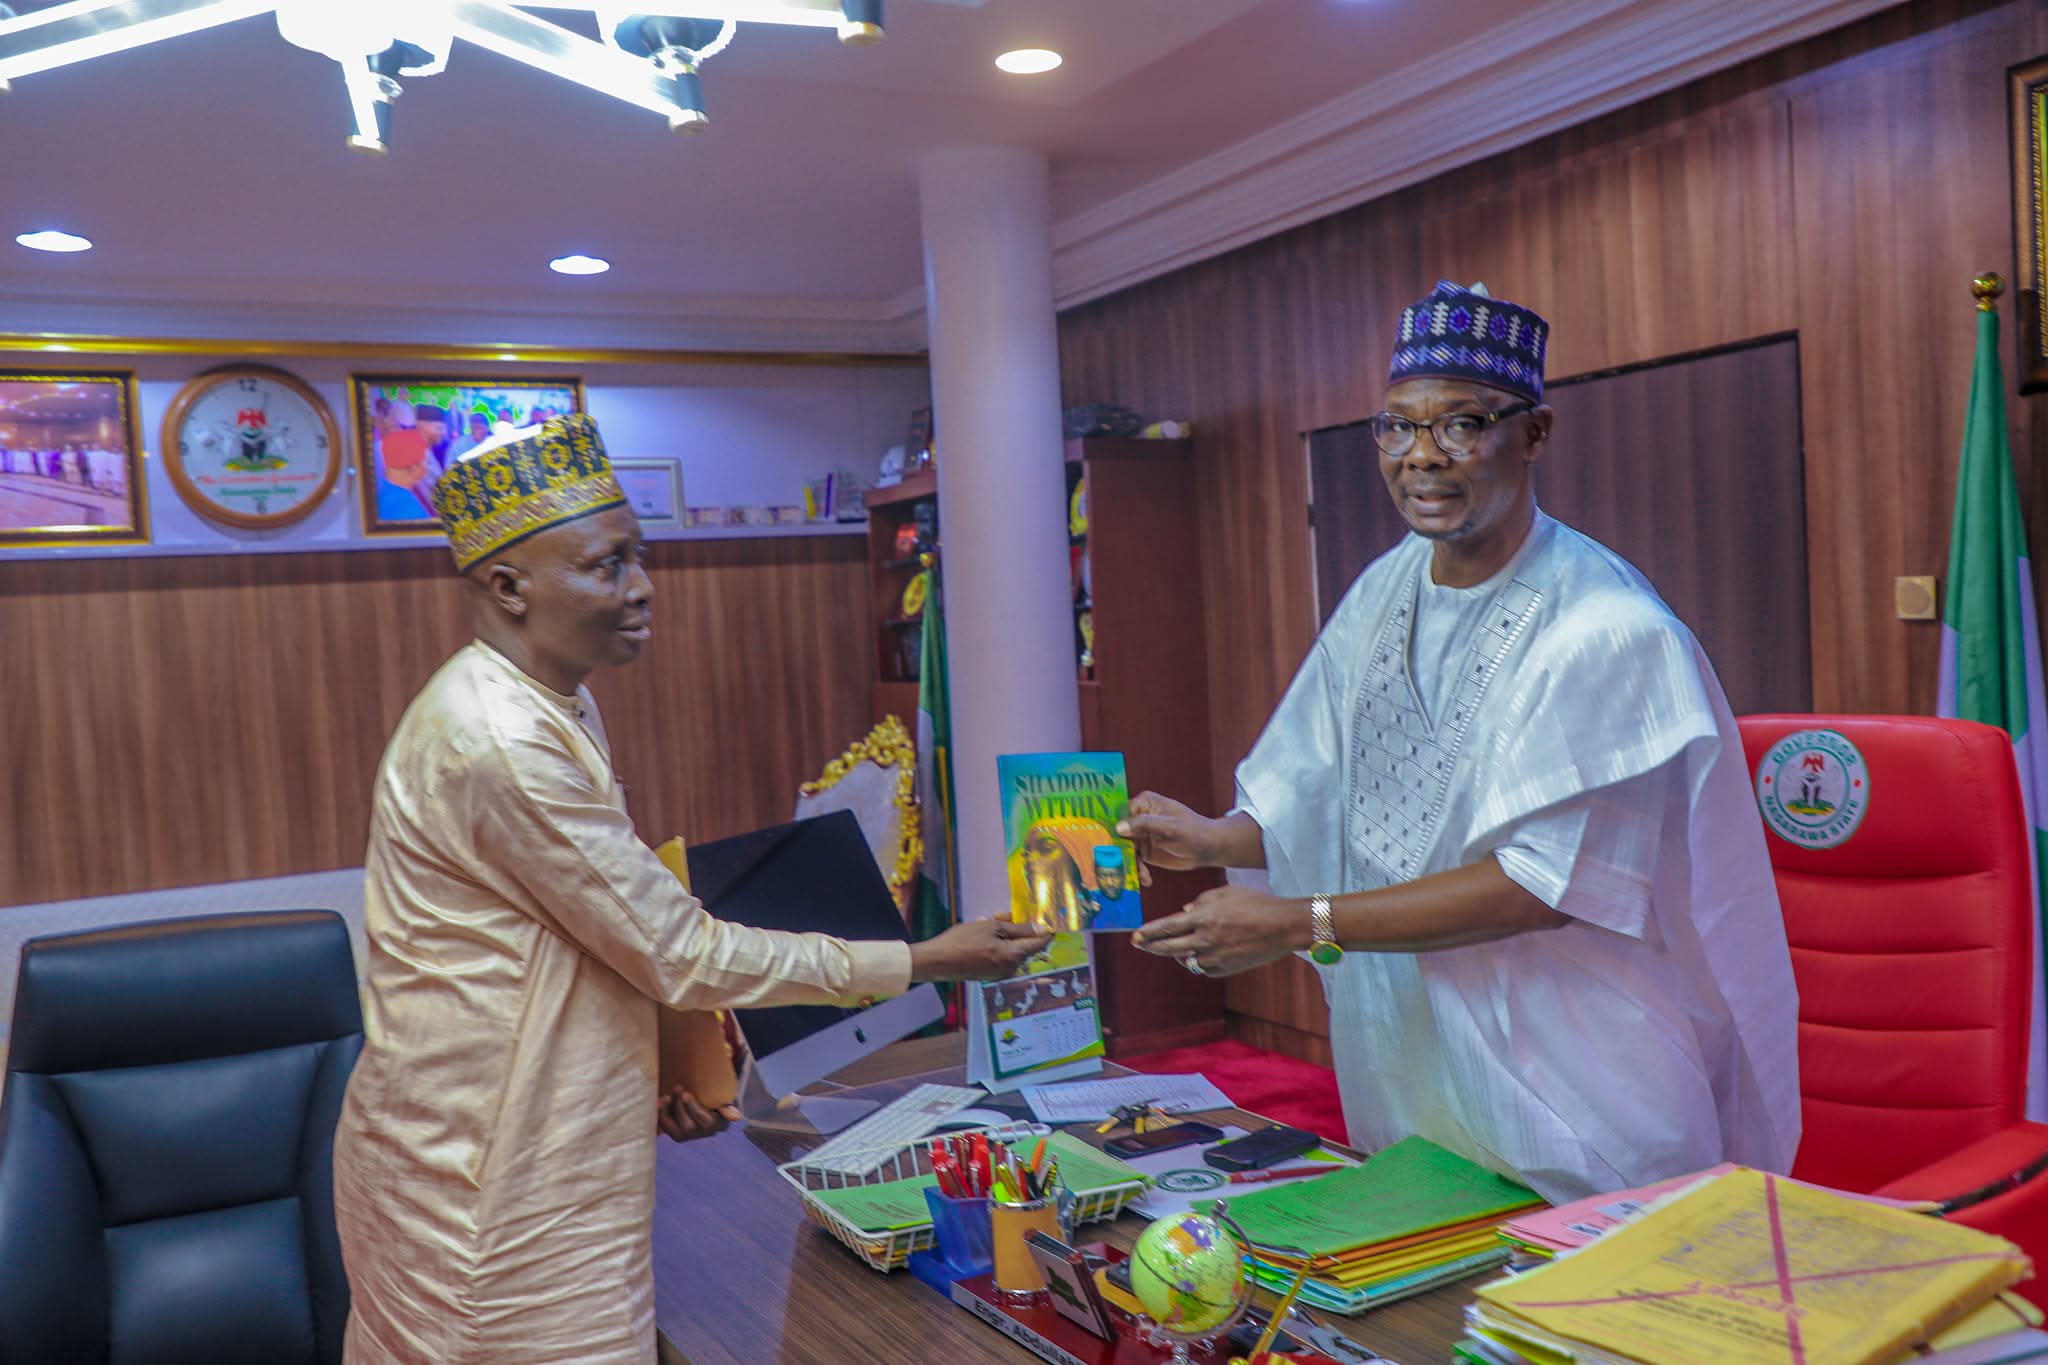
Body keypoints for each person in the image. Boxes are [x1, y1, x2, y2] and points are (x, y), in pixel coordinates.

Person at [333, 413, 1048, 1364]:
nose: (643, 588)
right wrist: (920, 959)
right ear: (508, 587)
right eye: (607, 565)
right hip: (489, 1179)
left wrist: (663, 1066)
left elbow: (585, 933)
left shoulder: (554, 698)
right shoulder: (498, 738)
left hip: (546, 1142)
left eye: (639, 557)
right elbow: (681, 947)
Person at [1118, 281, 1798, 1203]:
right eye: (1396, 428)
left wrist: (1294, 922)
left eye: (1462, 424)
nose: (1421, 457)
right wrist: (1213, 837)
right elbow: (1329, 794)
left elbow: (1536, 887)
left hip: (1574, 1092)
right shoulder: (1385, 590)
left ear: (1536, 433)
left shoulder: (1607, 631)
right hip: (1416, 1071)